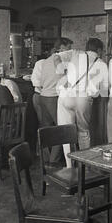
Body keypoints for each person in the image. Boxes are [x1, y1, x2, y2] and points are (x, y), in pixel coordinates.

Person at [54, 38, 108, 168]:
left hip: (66, 95)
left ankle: (69, 167)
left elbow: (56, 57)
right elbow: (105, 90)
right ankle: (85, 167)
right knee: (83, 133)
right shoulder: (102, 64)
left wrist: (63, 76)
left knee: (66, 132)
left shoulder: (75, 54)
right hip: (84, 99)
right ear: (99, 50)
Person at [31, 38, 73, 167]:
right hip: (53, 97)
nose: (70, 51)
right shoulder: (60, 59)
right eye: (68, 47)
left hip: (43, 96)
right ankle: (54, 161)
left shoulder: (46, 61)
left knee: (46, 129)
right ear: (61, 47)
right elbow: (66, 78)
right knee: (62, 129)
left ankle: (46, 159)